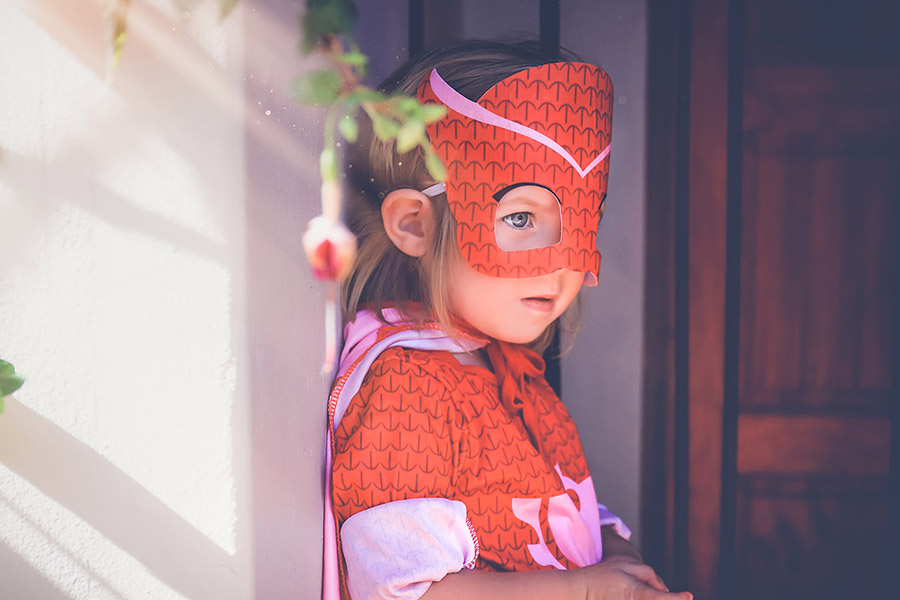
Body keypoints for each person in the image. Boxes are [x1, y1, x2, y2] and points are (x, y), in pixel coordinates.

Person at [323, 40, 692, 600]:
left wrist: (621, 565)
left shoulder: (510, 369)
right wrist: (585, 592)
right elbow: (409, 591)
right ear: (415, 225)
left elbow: (559, 516)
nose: (562, 261)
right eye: (521, 216)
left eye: (581, 219)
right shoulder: (406, 390)